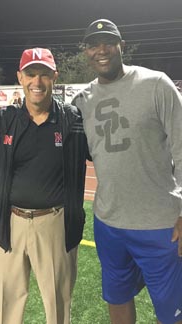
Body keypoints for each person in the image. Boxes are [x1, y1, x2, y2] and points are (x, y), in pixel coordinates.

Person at [72, 19, 182, 324]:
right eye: (94, 44)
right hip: (108, 222)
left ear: (121, 45)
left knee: (172, 311)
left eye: (108, 41)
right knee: (117, 297)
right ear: (87, 51)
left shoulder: (156, 83)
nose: (101, 49)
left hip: (160, 223)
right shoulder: (82, 100)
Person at [0, 47, 89, 324]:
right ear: (20, 77)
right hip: (11, 221)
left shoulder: (73, 119)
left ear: (54, 76)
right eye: (31, 74)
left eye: (44, 74)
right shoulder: (5, 121)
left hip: (55, 223)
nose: (37, 82)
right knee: (6, 303)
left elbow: (103, 151)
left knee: (57, 305)